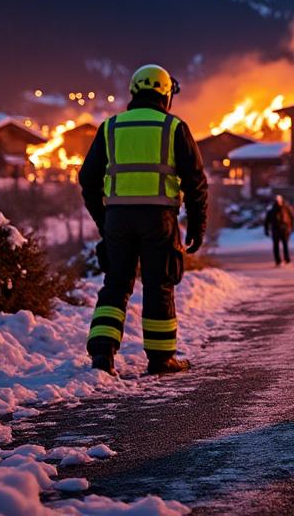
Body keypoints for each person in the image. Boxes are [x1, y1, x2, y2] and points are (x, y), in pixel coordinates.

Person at [79, 64, 207, 376]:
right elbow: (195, 182)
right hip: (159, 219)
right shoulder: (173, 127)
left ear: (134, 91)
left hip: (118, 219)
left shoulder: (110, 127)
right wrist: (197, 226)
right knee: (158, 285)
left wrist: (104, 220)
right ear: (166, 93)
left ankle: (102, 357)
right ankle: (162, 359)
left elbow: (88, 179)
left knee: (115, 284)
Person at [264, 194, 294, 266]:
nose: (278, 202)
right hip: (275, 230)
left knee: (285, 245)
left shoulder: (287, 208)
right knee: (276, 246)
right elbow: (267, 221)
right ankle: (278, 261)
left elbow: (292, 217)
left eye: (279, 200)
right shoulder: (272, 210)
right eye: (277, 200)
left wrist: (290, 227)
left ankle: (287, 260)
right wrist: (266, 230)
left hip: (285, 229)